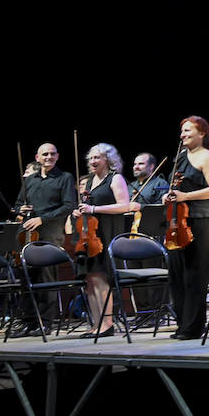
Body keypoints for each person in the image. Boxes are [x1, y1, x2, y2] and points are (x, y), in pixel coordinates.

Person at [166, 116, 209, 340]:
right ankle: (182, 324)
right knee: (177, 274)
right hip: (178, 220)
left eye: (188, 131)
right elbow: (176, 186)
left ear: (202, 133)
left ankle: (193, 327)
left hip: (201, 219)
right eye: (182, 131)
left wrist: (186, 196)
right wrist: (169, 195)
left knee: (194, 274)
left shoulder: (207, 157)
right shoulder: (180, 157)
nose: (183, 135)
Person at [73, 143, 133, 336]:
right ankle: (96, 323)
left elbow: (124, 206)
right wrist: (81, 210)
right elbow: (89, 205)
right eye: (90, 158)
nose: (92, 161)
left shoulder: (115, 179)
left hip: (106, 232)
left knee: (100, 277)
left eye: (97, 157)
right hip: (89, 234)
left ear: (107, 159)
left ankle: (107, 323)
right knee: (90, 279)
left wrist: (94, 209)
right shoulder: (90, 181)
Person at [16, 142, 77, 326]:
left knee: (46, 277)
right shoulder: (30, 180)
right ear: (37, 158)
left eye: (52, 154)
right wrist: (21, 209)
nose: (48, 157)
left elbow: (68, 205)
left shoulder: (65, 178)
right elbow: (18, 204)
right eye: (45, 154)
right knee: (26, 277)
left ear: (57, 156)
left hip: (50, 232)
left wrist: (42, 219)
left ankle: (46, 321)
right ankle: (28, 321)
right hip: (28, 234)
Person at [129, 152, 170, 239]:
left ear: (151, 166)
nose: (136, 167)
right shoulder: (130, 186)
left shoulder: (160, 183)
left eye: (141, 164)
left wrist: (141, 207)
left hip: (151, 232)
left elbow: (163, 208)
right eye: (135, 164)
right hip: (129, 231)